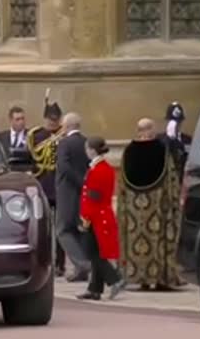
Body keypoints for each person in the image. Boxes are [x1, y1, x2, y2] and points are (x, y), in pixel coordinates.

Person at [117, 118, 186, 290]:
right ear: (153, 130)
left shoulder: (128, 152)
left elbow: (122, 186)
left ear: (138, 131)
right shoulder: (162, 151)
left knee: (136, 240)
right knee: (158, 238)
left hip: (134, 208)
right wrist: (174, 204)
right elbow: (172, 182)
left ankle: (142, 279)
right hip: (156, 207)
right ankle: (162, 278)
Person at [76, 136, 125, 301]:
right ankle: (94, 289)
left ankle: (115, 279)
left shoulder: (98, 170)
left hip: (97, 218)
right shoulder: (102, 167)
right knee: (97, 252)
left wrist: (85, 219)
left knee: (94, 253)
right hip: (100, 216)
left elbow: (93, 198)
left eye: (87, 149)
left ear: (92, 150)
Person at [26, 94, 66, 277]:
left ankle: (60, 263)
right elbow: (31, 159)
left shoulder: (64, 135)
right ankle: (43, 261)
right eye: (50, 119)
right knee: (41, 227)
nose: (52, 122)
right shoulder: (36, 135)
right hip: (42, 182)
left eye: (55, 119)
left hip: (59, 184)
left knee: (60, 228)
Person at [55, 112, 91, 282]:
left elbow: (63, 166)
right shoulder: (86, 142)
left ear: (67, 126)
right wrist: (84, 183)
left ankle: (82, 264)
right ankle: (81, 270)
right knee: (80, 229)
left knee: (62, 230)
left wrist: (78, 181)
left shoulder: (64, 143)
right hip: (83, 193)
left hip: (67, 192)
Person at [158, 102, 192, 182]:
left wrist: (177, 142)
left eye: (178, 122)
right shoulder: (159, 140)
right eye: (172, 122)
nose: (176, 125)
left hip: (183, 180)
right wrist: (169, 138)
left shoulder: (188, 140)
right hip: (167, 182)